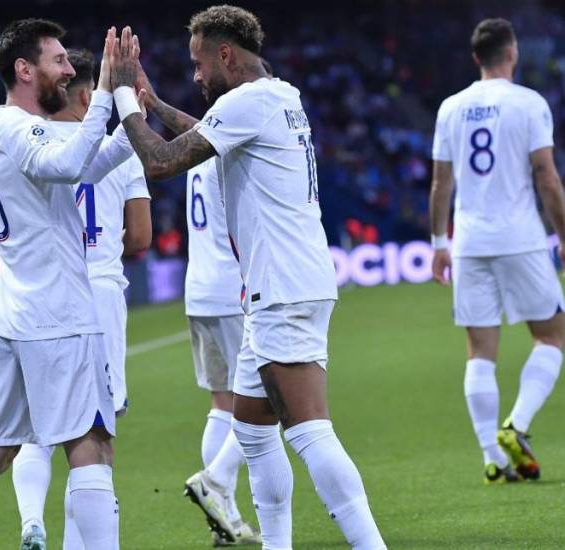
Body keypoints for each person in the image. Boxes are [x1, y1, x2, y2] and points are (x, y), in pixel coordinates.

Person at [106, 8, 385, 548]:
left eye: (198, 64)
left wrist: (122, 96)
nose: (195, 76)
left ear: (225, 54)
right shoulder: (280, 96)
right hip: (279, 286)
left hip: (282, 287)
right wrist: (154, 105)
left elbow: (160, 162)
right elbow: (208, 133)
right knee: (254, 433)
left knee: (310, 430)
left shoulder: (245, 103)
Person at [0, 21, 136, 549]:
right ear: (25, 70)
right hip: (58, 316)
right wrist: (105, 93)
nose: (69, 71)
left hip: (15, 313)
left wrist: (131, 113)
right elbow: (68, 164)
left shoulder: (3, 131)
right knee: (91, 446)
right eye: (59, 60)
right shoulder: (19, 129)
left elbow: (88, 166)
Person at [8, 48, 151, 550]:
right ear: (91, 96)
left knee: (35, 427)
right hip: (99, 293)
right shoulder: (118, 148)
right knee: (92, 438)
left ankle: (31, 519)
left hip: (41, 293)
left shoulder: (31, 143)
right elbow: (141, 237)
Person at [430, 18, 565, 484]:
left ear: (476, 58)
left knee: (479, 352)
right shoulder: (528, 103)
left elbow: (440, 182)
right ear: (513, 53)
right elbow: (546, 176)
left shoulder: (451, 108)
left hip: (469, 242)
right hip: (520, 239)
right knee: (552, 336)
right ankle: (517, 426)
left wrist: (439, 243)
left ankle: (493, 456)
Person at [184, 156, 260, 547]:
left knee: (222, 403)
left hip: (199, 289)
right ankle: (215, 480)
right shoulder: (229, 147)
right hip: (233, 291)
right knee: (264, 400)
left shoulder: (196, 150)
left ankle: (227, 518)